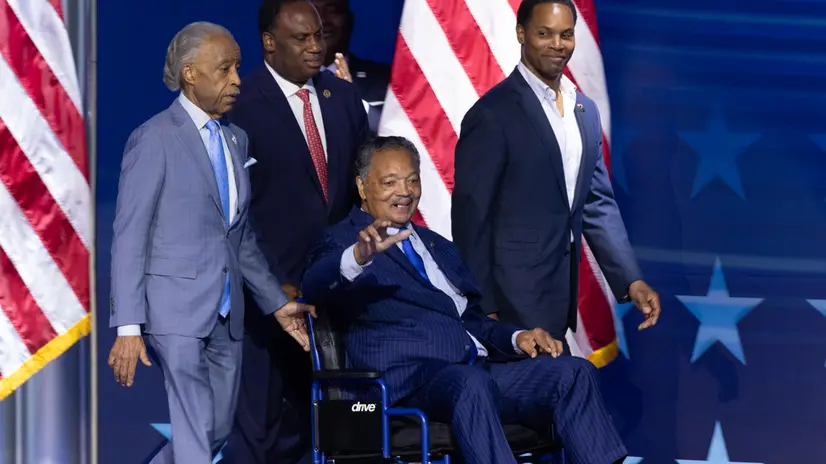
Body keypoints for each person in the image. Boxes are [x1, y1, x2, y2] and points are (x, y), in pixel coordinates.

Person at [301, 136, 629, 464]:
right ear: (362, 187)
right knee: (470, 383)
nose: (404, 192)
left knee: (574, 373)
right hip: (410, 383)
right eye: (390, 183)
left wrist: (518, 338)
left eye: (412, 180)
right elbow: (314, 285)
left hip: (477, 373)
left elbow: (471, 320)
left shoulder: (438, 246)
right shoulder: (343, 241)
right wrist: (358, 257)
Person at [107, 22, 315, 463]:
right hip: (174, 312)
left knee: (213, 430)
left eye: (238, 68)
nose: (237, 79)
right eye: (225, 69)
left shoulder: (235, 139)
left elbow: (240, 239)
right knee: (194, 425)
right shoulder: (154, 138)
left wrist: (276, 304)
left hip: (227, 314)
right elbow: (129, 237)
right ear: (190, 73)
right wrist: (128, 326)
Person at [452, 0, 661, 346]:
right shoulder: (492, 114)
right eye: (545, 34)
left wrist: (631, 280)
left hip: (557, 302)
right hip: (508, 306)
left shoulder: (585, 111)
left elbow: (596, 203)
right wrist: (484, 306)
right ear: (521, 34)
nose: (557, 45)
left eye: (566, 35)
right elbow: (471, 220)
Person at [223, 1, 368, 462]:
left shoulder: (344, 99)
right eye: (301, 38)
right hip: (266, 302)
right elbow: (233, 213)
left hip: (337, 298)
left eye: (319, 36)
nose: (315, 47)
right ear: (269, 42)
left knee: (341, 431)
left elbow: (359, 196)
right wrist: (271, 287)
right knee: (262, 438)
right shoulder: (238, 106)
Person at [310, 0, 391, 133]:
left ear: (349, 20)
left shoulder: (387, 81)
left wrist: (354, 103)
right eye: (313, 12)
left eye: (333, 10)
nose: (323, 20)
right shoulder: (281, 81)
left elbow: (401, 132)